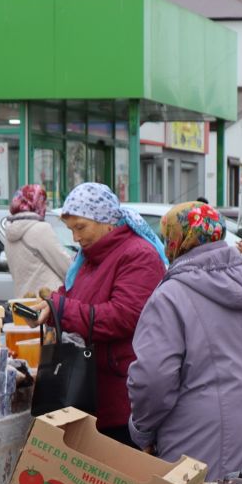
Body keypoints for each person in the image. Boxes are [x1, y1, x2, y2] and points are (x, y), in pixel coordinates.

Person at [126, 202, 242, 478]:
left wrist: (142, 431)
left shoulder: (170, 297)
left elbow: (153, 376)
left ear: (175, 240)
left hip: (199, 450)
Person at [43, 182, 167, 445]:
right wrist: (53, 304)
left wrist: (61, 308)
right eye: (71, 230)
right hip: (92, 387)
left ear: (106, 221)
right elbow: (77, 294)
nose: (75, 238)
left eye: (80, 227)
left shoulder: (137, 256)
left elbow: (123, 316)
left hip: (122, 395)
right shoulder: (90, 256)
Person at [3, 184, 67, 298]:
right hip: (48, 299)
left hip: (24, 300)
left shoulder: (9, 233)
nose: (45, 207)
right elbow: (65, 267)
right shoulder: (41, 229)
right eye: (43, 202)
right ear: (37, 203)